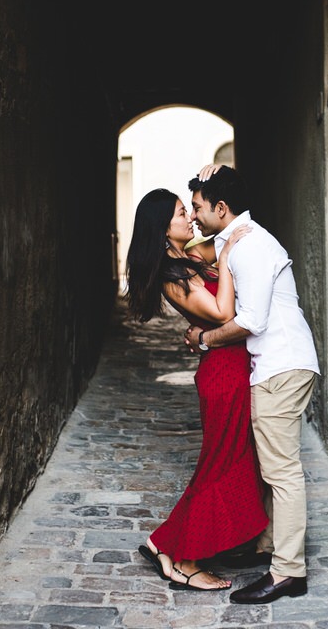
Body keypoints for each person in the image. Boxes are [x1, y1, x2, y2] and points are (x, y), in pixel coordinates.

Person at [182, 165, 321, 605]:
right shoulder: (233, 240)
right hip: (272, 367)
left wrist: (204, 340)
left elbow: (251, 321)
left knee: (282, 471)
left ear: (222, 209)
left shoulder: (252, 246)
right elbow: (194, 250)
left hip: (282, 365)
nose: (195, 217)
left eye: (200, 208)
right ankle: (267, 549)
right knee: (268, 465)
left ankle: (288, 574)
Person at [124, 188, 267, 592]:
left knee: (229, 460)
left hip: (231, 366)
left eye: (189, 209)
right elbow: (223, 312)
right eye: (180, 213)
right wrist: (224, 258)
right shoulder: (174, 273)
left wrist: (212, 182)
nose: (189, 217)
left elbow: (217, 232)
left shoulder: (185, 259)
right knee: (218, 465)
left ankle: (163, 544)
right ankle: (183, 560)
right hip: (222, 372)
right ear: (161, 227)